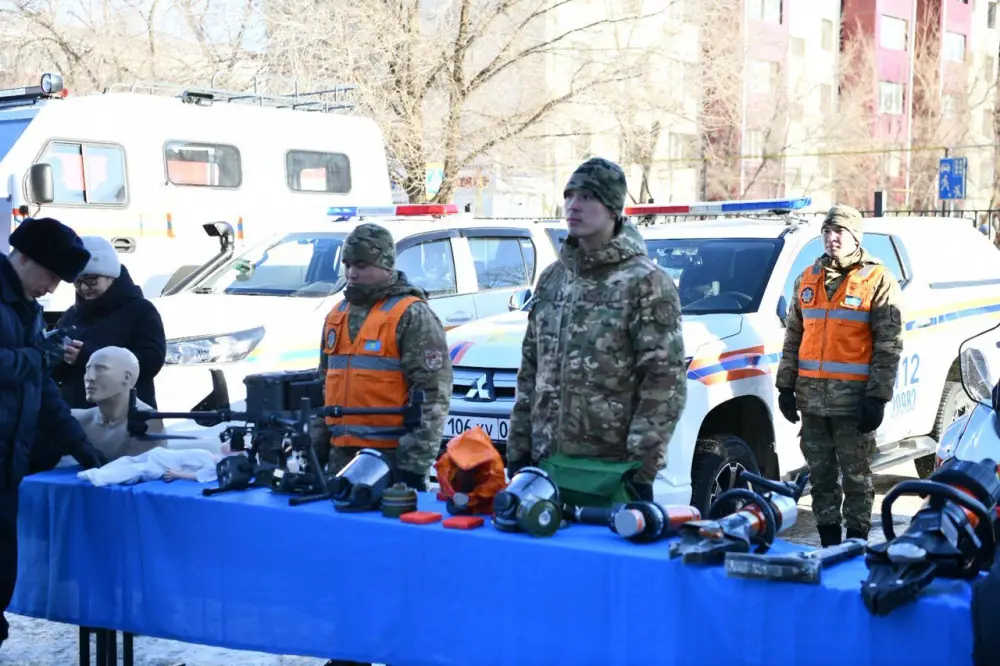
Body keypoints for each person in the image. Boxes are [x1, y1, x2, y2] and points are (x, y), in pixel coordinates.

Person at [506, 157, 687, 502]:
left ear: (613, 208)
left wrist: (641, 468)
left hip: (610, 472)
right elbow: (531, 369)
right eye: (569, 195)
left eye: (588, 197)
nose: (574, 205)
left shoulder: (645, 282)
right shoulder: (554, 278)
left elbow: (664, 382)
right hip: (545, 468)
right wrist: (519, 448)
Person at [316, 223, 451, 666]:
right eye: (349, 265)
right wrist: (315, 450)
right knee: (346, 567)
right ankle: (349, 651)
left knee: (395, 568)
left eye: (363, 265)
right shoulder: (336, 314)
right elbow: (323, 385)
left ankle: (402, 653)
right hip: (341, 461)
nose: (353, 274)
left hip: (392, 465)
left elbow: (431, 395)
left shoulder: (411, 314)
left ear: (386, 265)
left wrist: (414, 467)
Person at [0, 217, 106, 646]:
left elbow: (38, 387)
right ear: (22, 257)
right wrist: (39, 353)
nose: (53, 287)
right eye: (49, 275)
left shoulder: (28, 307)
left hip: (8, 464)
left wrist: (78, 442)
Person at [775, 205, 903, 546]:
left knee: (857, 478)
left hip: (853, 403)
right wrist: (785, 385)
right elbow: (793, 336)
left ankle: (856, 543)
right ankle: (829, 544)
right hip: (812, 401)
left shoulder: (878, 279)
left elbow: (888, 346)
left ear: (855, 237)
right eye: (827, 232)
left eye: (840, 232)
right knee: (821, 478)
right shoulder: (807, 277)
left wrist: (877, 397)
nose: (832, 238)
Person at [50, 235, 166, 410]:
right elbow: (57, 373)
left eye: (91, 279)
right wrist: (54, 357)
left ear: (111, 276)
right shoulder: (71, 315)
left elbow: (151, 362)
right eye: (78, 281)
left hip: (123, 417)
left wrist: (90, 357)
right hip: (76, 417)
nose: (83, 287)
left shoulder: (140, 310)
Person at [71, 346, 164, 462]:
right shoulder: (78, 419)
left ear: (126, 377)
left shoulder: (148, 421)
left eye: (100, 369)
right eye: (87, 369)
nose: (89, 377)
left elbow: (133, 469)